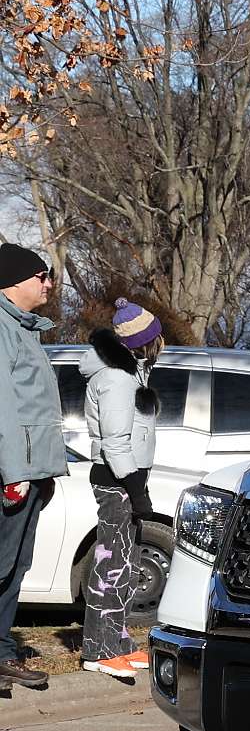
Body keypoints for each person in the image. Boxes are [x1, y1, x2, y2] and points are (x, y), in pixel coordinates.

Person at [80, 299, 164, 681]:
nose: (162, 343)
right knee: (111, 564)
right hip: (116, 481)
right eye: (157, 337)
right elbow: (115, 443)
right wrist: (136, 490)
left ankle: (117, 642)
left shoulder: (132, 373)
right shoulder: (115, 379)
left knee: (125, 565)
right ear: (144, 341)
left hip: (127, 479)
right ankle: (98, 650)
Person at [0, 243, 63, 694]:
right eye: (42, 276)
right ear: (13, 281)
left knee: (15, 565)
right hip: (12, 473)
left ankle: (2, 654)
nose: (49, 284)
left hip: (30, 471)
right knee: (2, 565)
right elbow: (3, 407)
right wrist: (15, 473)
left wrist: (42, 471)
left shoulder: (24, 329)